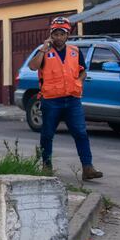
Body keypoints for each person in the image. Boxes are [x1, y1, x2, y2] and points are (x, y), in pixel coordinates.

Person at [26, 17, 103, 180]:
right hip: (51, 101)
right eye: (56, 34)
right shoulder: (44, 51)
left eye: (62, 34)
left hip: (72, 100)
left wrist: (78, 81)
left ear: (67, 35)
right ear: (51, 35)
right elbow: (33, 66)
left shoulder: (75, 51)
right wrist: (43, 49)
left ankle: (88, 168)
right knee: (47, 135)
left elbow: (83, 71)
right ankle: (47, 167)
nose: (59, 37)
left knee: (81, 133)